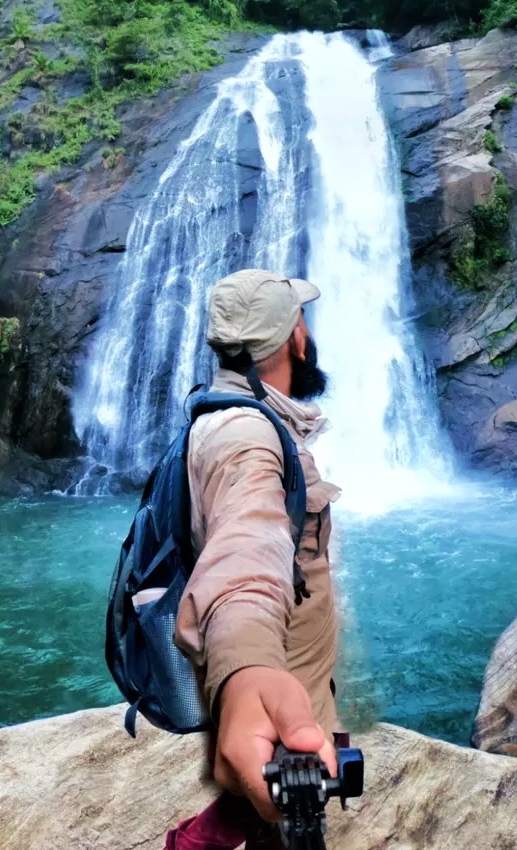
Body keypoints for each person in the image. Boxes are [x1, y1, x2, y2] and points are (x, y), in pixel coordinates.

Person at [164, 269, 343, 850]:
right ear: (293, 336)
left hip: (284, 684)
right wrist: (248, 670)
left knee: (254, 812)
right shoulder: (247, 437)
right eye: (302, 319)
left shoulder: (229, 414)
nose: (309, 331)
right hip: (276, 689)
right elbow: (246, 549)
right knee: (268, 819)